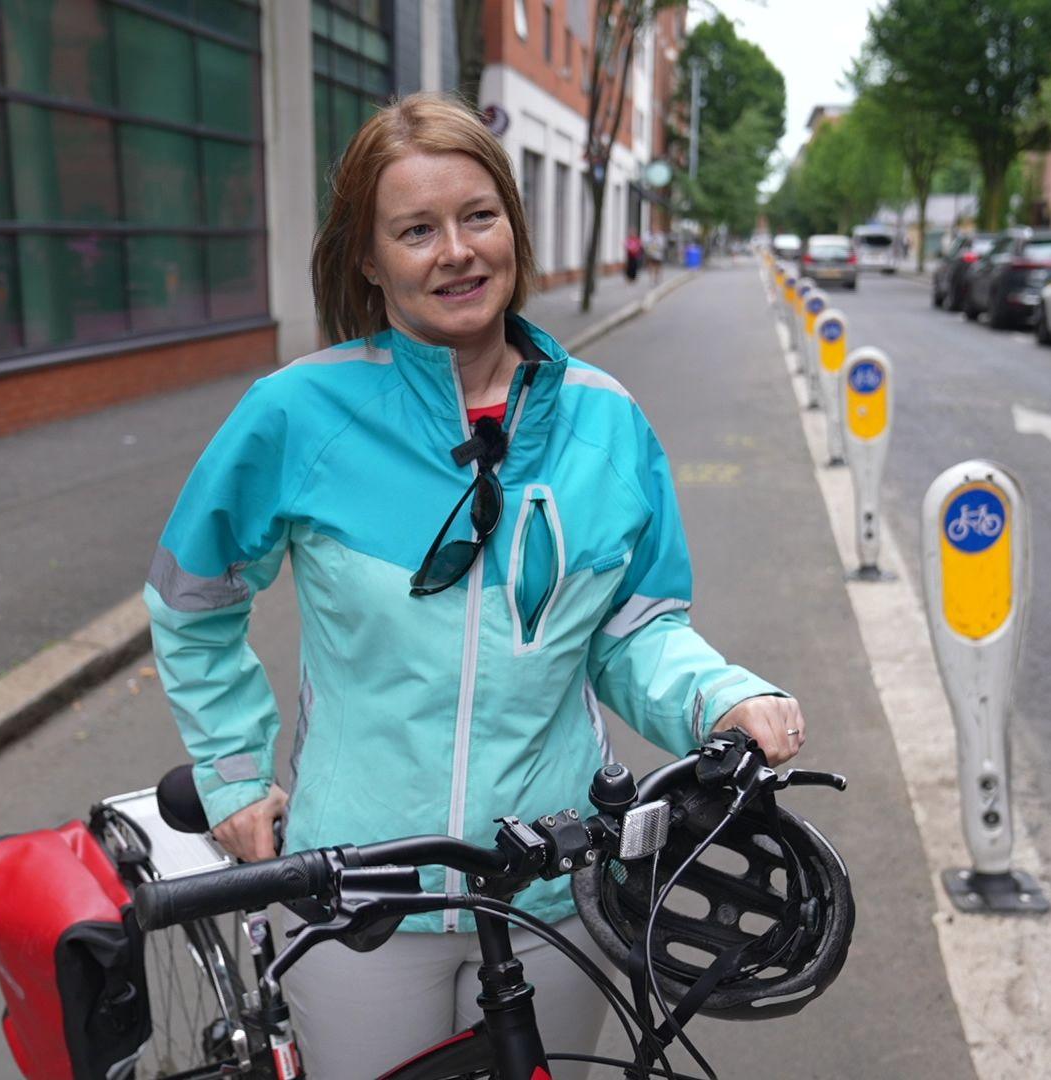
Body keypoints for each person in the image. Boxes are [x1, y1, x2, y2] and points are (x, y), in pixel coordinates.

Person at [143, 92, 808, 1078]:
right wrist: (236, 771)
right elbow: (194, 598)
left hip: (557, 883)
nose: (454, 250)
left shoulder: (606, 421)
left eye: (477, 217)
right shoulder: (298, 413)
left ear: (513, 227)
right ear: (370, 259)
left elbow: (634, 631)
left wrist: (722, 695)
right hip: (362, 893)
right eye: (417, 230)